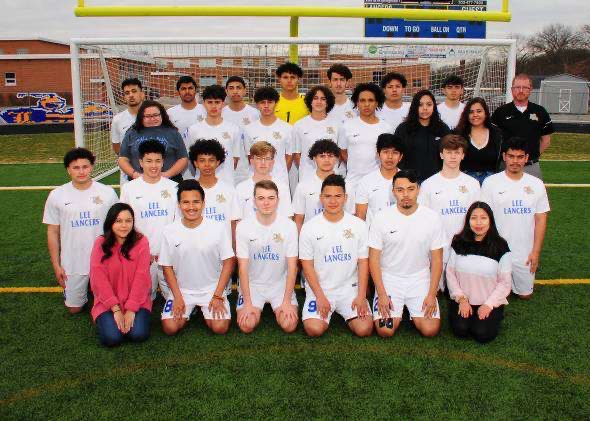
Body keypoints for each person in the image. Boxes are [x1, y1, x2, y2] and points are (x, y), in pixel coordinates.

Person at [369, 170, 446, 338]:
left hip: (419, 279)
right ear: (393, 191)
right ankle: (399, 310)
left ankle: (411, 311)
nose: (406, 194)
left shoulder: (432, 218)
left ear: (418, 189)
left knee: (430, 330)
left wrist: (432, 294)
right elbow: (373, 259)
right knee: (385, 330)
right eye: (400, 189)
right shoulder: (381, 218)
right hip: (390, 279)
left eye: (411, 189)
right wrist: (381, 293)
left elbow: (437, 260)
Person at [43, 148, 118, 314]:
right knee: (74, 309)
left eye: (85, 166)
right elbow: (53, 232)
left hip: (104, 259)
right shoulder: (57, 195)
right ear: (68, 169)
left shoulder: (107, 193)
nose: (81, 171)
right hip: (73, 260)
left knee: (114, 304)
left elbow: (119, 227)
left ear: (92, 167)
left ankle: (97, 285)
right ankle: (82, 289)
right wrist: (56, 265)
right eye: (76, 168)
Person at [299, 174, 373, 338]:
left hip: (349, 289)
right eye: (328, 196)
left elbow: (363, 263)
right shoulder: (309, 227)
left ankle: (347, 309)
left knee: (364, 329)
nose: (333, 201)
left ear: (345, 197)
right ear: (321, 198)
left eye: (338, 196)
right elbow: (307, 265)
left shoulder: (359, 225)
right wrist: (319, 296)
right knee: (314, 329)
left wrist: (361, 297)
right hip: (321, 289)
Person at [159, 180, 235, 335]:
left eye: (196, 202)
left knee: (220, 328)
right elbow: (167, 267)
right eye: (185, 202)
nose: (191, 207)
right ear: (179, 204)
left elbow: (229, 262)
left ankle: (202, 310)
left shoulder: (217, 228)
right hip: (183, 291)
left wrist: (217, 295)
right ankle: (191, 309)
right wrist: (178, 297)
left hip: (212, 289)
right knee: (170, 328)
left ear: (203, 203)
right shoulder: (170, 230)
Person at [481, 137, 550, 299]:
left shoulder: (536, 184)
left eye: (520, 157)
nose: (515, 161)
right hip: (496, 249)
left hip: (524, 252)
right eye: (511, 156)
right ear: (504, 157)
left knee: (524, 295)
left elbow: (541, 219)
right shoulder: (491, 183)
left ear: (526, 158)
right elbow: (483, 218)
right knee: (490, 295)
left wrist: (536, 252)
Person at [235, 180, 299, 334]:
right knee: (246, 325)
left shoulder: (289, 226)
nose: (266, 203)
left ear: (278, 200)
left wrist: (286, 302)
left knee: (289, 325)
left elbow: (292, 267)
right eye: (261, 198)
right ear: (254, 200)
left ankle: (281, 303)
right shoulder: (243, 226)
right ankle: (252, 304)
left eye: (271, 198)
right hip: (253, 285)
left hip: (279, 284)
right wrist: (248, 303)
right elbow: (242, 268)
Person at [418, 134, 481, 290]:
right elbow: (423, 220)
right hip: (437, 248)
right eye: (449, 152)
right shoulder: (428, 185)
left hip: (464, 247)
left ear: (463, 155)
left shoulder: (472, 184)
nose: (453, 156)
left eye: (457, 152)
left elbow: (478, 217)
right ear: (441, 154)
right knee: (436, 290)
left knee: (463, 291)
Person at [120, 139, 179, 300]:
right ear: (140, 162)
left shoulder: (174, 188)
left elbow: (178, 224)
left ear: (163, 162)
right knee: (143, 299)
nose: (154, 166)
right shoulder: (129, 189)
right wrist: (143, 250)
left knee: (177, 301)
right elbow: (125, 225)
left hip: (168, 254)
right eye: (149, 161)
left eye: (158, 161)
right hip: (142, 254)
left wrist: (166, 251)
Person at [446, 202, 512, 343]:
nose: (478, 223)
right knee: (460, 329)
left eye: (483, 218)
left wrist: (489, 304)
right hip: (463, 300)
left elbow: (505, 282)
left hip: (488, 300)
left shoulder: (500, 246)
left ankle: (496, 313)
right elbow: (450, 274)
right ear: (468, 221)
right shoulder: (458, 242)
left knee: (482, 334)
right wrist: (462, 299)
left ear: (490, 220)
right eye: (474, 218)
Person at [89, 203, 152, 347]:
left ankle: (128, 319)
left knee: (138, 334)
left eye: (128, 221)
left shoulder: (141, 241)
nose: (124, 225)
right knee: (112, 338)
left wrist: (131, 309)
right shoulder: (100, 243)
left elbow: (142, 277)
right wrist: (115, 309)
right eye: (118, 221)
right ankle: (106, 319)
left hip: (138, 301)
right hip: (107, 303)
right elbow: (98, 279)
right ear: (110, 222)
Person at [491, 73, 554, 180]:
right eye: (517, 87)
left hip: (531, 166)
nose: (521, 90)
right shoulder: (500, 112)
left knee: (533, 195)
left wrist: (530, 157)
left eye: (525, 87)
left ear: (530, 89)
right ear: (512, 89)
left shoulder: (540, 111)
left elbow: (546, 140)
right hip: (506, 166)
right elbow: (492, 139)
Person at [339, 82, 393, 206]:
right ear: (357, 103)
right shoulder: (347, 126)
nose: (366, 104)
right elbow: (342, 151)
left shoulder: (386, 128)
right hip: (352, 183)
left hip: (378, 183)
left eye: (371, 100)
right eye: (362, 100)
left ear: (377, 102)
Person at [118, 100, 188, 184]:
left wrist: (166, 175)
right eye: (147, 116)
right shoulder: (131, 133)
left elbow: (183, 158)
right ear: (141, 117)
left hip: (169, 181)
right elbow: (123, 159)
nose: (152, 119)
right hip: (138, 182)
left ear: (162, 115)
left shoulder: (173, 133)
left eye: (155, 115)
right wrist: (135, 175)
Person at [186, 84, 241, 185]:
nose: (214, 106)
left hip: (226, 183)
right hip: (201, 185)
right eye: (210, 102)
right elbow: (191, 160)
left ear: (223, 103)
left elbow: (235, 159)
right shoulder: (194, 130)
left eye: (217, 102)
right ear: (204, 104)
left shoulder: (234, 129)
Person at [188, 139, 241, 244]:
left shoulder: (230, 191)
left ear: (218, 162)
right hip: (196, 247)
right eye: (202, 160)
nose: (207, 164)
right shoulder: (188, 191)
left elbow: (233, 224)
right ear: (196, 163)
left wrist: (234, 252)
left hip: (224, 250)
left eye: (211, 160)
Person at [395, 89, 451, 183]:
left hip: (437, 181)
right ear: (414, 107)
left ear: (434, 106)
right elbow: (397, 155)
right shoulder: (403, 129)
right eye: (420, 105)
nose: (425, 108)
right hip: (410, 182)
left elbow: (449, 154)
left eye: (429, 104)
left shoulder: (443, 129)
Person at [244, 87, 293, 186]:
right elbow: (250, 157)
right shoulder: (249, 129)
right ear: (257, 105)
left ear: (276, 103)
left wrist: (280, 174)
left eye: (270, 102)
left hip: (280, 180)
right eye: (262, 102)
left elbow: (289, 156)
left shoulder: (287, 128)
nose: (266, 106)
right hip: (256, 181)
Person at [293, 140, 344, 233]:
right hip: (312, 238)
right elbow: (298, 218)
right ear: (314, 158)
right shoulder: (303, 186)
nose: (326, 160)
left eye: (330, 156)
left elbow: (351, 215)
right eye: (322, 156)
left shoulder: (346, 185)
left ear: (336, 158)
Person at [292, 85, 341, 181]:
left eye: (323, 99)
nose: (319, 102)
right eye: (315, 98)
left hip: (331, 177)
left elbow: (340, 152)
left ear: (327, 103)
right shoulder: (299, 125)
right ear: (310, 101)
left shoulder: (337, 124)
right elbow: (297, 153)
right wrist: (307, 170)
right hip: (307, 177)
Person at [235, 141, 293, 221]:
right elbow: (237, 220)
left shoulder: (282, 187)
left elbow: (288, 219)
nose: (263, 163)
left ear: (272, 162)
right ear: (251, 161)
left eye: (267, 159)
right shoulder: (241, 188)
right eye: (258, 159)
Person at [355, 133, 404, 225]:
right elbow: (360, 217)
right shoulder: (366, 182)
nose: (390, 157)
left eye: (395, 153)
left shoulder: (408, 181)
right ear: (378, 154)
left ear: (401, 157)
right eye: (385, 152)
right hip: (373, 237)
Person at [455, 97, 504, 185]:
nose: (475, 114)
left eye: (479, 111)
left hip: (490, 181)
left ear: (485, 113)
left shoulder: (496, 133)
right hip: (464, 182)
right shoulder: (459, 134)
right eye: (471, 112)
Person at [222, 75, 261, 184]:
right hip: (225, 168)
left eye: (238, 87)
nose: (235, 91)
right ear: (226, 91)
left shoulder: (255, 113)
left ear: (244, 91)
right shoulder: (221, 113)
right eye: (231, 88)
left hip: (249, 169)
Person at [167, 76, 207, 179]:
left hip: (203, 158)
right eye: (183, 89)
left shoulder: (205, 110)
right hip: (179, 158)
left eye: (190, 88)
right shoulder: (170, 113)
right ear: (178, 92)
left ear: (195, 90)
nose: (187, 91)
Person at [111, 78, 144, 186]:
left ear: (142, 94)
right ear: (124, 97)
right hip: (127, 173)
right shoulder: (117, 119)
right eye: (127, 93)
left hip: (152, 170)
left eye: (134, 91)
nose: (131, 95)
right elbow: (116, 147)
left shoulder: (153, 116)